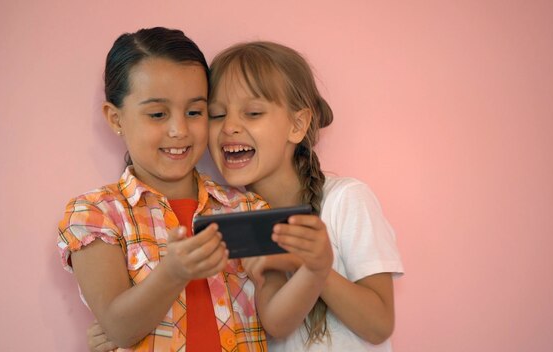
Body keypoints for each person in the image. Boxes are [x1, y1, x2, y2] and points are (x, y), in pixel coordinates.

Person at [57, 27, 267, 351]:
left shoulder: (247, 208)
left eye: (195, 112)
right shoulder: (97, 214)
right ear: (115, 119)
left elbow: (281, 317)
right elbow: (119, 326)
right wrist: (173, 272)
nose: (179, 130)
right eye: (157, 114)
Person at [206, 41, 404, 351]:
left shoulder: (345, 201)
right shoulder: (228, 223)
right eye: (216, 115)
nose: (229, 126)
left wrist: (313, 265)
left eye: (253, 112)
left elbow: (378, 325)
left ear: (297, 125)